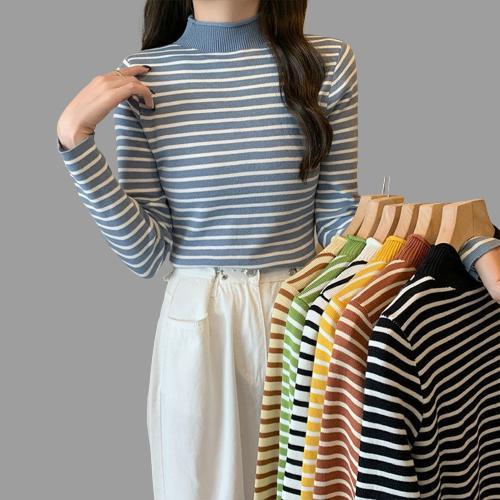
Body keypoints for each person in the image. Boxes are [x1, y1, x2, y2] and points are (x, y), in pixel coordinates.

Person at [55, 1, 500, 499]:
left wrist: (466, 240)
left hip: (301, 313)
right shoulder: (146, 76)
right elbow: (145, 253)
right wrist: (76, 142)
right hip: (197, 325)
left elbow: (342, 226)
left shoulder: (325, 62)